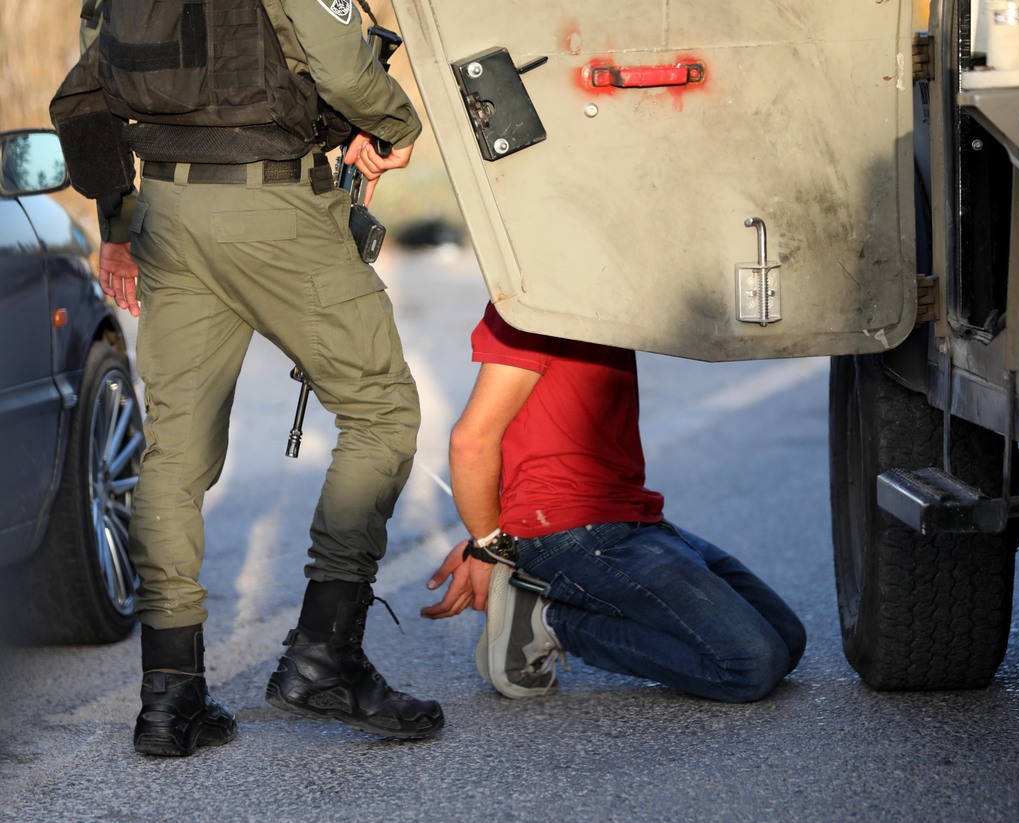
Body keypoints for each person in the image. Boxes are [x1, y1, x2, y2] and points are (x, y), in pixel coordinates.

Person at [52, 0, 443, 756]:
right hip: (274, 207)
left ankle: (169, 699)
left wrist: (117, 221)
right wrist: (395, 126)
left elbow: (88, 85)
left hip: (166, 209)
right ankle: (325, 653)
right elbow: (338, 64)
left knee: (174, 453)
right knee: (382, 410)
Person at [421, 304, 807, 702]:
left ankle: (554, 596)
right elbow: (471, 441)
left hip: (629, 517)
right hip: (569, 531)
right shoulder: (530, 305)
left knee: (786, 640)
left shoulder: (606, 293)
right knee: (750, 666)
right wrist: (489, 547)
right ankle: (550, 621)